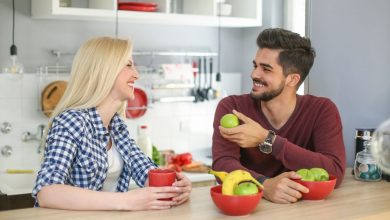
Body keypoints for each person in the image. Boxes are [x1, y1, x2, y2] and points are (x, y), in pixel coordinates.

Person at [32, 37, 192, 210]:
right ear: (104, 71)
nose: (136, 74)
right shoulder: (72, 121)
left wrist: (175, 185)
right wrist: (127, 201)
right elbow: (47, 192)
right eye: (128, 65)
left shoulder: (117, 126)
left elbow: (145, 171)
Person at [212, 28, 346, 204]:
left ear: (292, 79)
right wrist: (264, 185)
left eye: (266, 69)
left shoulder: (322, 110)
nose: (254, 74)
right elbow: (222, 165)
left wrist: (267, 139)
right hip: (250, 210)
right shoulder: (232, 107)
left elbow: (334, 171)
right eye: (255, 65)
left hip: (304, 211)